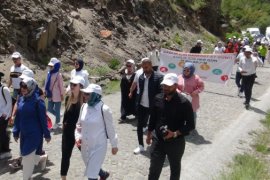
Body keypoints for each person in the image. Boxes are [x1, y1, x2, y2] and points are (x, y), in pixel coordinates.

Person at [146, 73, 195, 180]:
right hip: (158, 140)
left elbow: (191, 125)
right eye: (164, 85)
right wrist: (149, 134)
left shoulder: (184, 103)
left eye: (169, 86)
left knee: (175, 168)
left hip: (175, 143)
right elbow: (153, 117)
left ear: (176, 86)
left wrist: (175, 133)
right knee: (154, 168)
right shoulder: (158, 98)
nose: (165, 88)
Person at [75, 84, 118, 180]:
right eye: (84, 93)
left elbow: (111, 128)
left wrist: (114, 145)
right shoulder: (83, 107)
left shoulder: (104, 109)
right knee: (91, 167)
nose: (84, 96)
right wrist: (78, 137)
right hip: (85, 146)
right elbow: (78, 125)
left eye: (87, 94)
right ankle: (103, 174)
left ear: (95, 95)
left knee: (91, 175)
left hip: (98, 146)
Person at [13, 77, 51, 180]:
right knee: (28, 157)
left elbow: (43, 121)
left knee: (26, 159)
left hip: (34, 135)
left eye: (25, 86)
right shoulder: (21, 99)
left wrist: (47, 135)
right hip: (24, 135)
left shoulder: (38, 102)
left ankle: (27, 177)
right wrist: (16, 131)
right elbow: (18, 117)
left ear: (32, 87)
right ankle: (43, 158)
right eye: (21, 86)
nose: (22, 88)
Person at [133, 58, 163, 154]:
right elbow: (140, 91)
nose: (145, 69)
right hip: (142, 105)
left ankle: (155, 145)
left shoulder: (159, 77)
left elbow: (161, 93)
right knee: (139, 126)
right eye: (143, 67)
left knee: (155, 126)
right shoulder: (141, 77)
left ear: (151, 65)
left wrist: (157, 104)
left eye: (146, 67)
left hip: (154, 106)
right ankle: (140, 145)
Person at [61, 76, 85, 179]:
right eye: (71, 84)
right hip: (68, 133)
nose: (71, 86)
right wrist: (63, 124)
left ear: (81, 86)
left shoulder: (85, 101)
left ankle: (100, 172)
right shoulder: (68, 98)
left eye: (74, 85)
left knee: (87, 156)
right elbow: (66, 114)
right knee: (65, 156)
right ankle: (63, 177)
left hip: (80, 134)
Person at [177, 62, 204, 127]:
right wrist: (179, 92)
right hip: (181, 98)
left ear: (192, 70)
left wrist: (195, 92)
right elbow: (175, 86)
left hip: (192, 99)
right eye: (184, 70)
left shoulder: (196, 78)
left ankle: (192, 126)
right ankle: (181, 125)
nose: (186, 72)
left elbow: (202, 87)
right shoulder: (179, 77)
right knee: (181, 112)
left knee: (192, 113)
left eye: (188, 70)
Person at [45, 57, 65, 129]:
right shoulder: (48, 73)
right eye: (50, 66)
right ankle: (58, 116)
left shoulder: (58, 75)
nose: (50, 67)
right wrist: (45, 91)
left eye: (52, 66)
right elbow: (46, 82)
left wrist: (62, 94)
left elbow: (61, 86)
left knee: (57, 109)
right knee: (49, 109)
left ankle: (57, 122)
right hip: (50, 94)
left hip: (57, 95)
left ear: (56, 66)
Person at [0, 72, 12, 159]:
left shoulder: (4, 89)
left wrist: (5, 114)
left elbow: (9, 103)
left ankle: (5, 151)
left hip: (3, 116)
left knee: (2, 133)